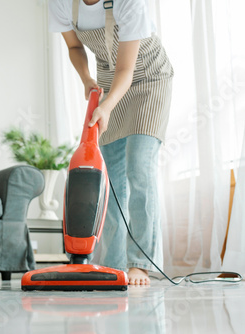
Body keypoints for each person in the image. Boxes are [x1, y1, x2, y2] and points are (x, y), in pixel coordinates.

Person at [48, 0, 174, 285]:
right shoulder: (60, 3)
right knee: (113, 179)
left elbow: (126, 70)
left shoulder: (129, 2)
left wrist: (106, 106)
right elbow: (74, 47)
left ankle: (140, 264)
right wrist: (86, 79)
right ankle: (115, 265)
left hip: (149, 78)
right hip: (109, 79)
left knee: (139, 168)